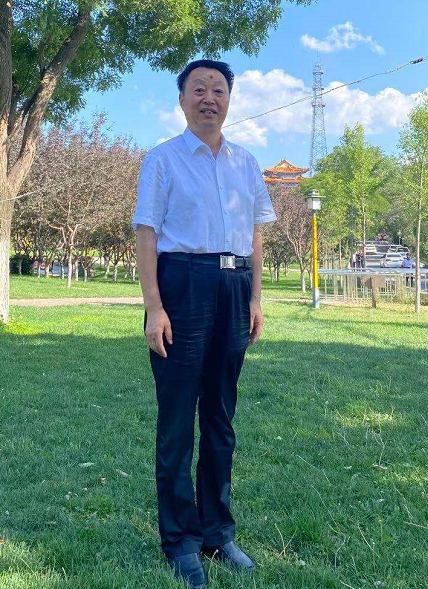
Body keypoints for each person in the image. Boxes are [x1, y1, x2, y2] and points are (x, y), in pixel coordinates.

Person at [132, 59, 277, 589]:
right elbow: (146, 233)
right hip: (183, 285)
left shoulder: (247, 163)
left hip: (234, 287)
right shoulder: (162, 160)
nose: (209, 97)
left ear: (230, 99)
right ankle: (180, 541)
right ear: (182, 99)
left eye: (218, 89)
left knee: (220, 418)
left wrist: (255, 298)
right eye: (199, 89)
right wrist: (154, 306)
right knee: (177, 422)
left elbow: (256, 234)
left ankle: (218, 532)